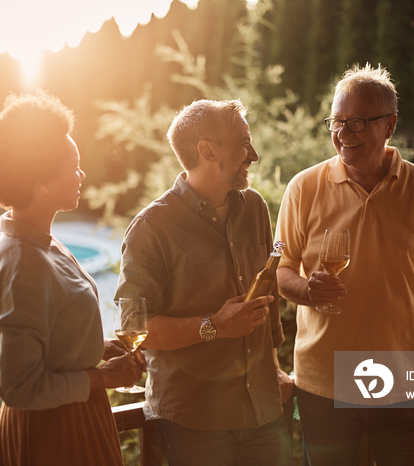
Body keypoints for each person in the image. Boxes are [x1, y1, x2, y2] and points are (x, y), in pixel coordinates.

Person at [275, 63, 414, 465]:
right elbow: (280, 270)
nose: (343, 134)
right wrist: (307, 290)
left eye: (357, 122)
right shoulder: (303, 188)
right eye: (337, 121)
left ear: (389, 124)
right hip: (323, 387)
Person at [114, 99, 294, 466]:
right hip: (195, 420)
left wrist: (274, 370)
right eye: (244, 143)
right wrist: (213, 326)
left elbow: (268, 294)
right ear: (207, 151)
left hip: (264, 410)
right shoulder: (151, 229)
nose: (254, 154)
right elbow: (135, 328)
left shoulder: (256, 208)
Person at [0, 91, 144, 466]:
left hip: (78, 417)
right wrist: (104, 378)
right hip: (54, 435)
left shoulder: (43, 243)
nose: (81, 174)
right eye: (73, 165)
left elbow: (52, 342)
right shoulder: (23, 262)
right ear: (40, 181)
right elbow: (21, 387)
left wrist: (98, 347)